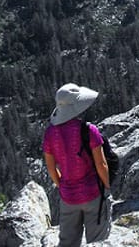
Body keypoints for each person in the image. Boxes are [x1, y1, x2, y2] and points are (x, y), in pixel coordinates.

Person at [43, 83, 112, 247]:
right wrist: (107, 188)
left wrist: (63, 186)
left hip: (68, 198)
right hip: (93, 193)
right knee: (98, 242)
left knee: (67, 243)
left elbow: (51, 169)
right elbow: (101, 164)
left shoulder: (50, 133)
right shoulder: (89, 130)